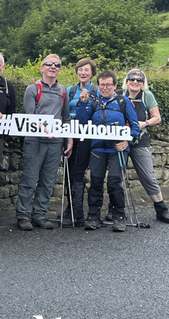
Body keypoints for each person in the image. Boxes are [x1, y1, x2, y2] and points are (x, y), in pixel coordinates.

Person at [76, 70, 140, 232]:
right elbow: (82, 122)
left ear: (115, 85)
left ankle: (119, 216)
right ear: (97, 86)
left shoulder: (123, 101)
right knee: (95, 182)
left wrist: (127, 141)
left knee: (114, 182)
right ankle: (93, 216)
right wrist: (83, 104)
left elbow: (135, 127)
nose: (105, 88)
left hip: (117, 149)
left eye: (108, 85)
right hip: (98, 148)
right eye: (102, 85)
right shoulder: (94, 102)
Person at [16, 54, 72, 231]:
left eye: (57, 64)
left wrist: (69, 139)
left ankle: (39, 215)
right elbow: (30, 115)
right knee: (30, 179)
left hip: (56, 142)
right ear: (42, 68)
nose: (53, 67)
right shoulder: (32, 89)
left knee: (48, 181)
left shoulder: (63, 90)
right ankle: (23, 216)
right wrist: (43, 127)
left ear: (60, 69)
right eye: (49, 64)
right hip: (35, 140)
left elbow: (66, 117)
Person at [122, 69, 169, 224]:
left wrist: (144, 123)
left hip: (140, 140)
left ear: (143, 82)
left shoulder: (147, 96)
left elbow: (157, 117)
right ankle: (116, 210)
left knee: (147, 176)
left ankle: (161, 210)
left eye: (139, 80)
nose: (135, 82)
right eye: (132, 79)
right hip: (121, 140)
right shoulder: (120, 95)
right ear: (127, 81)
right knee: (117, 176)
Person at [62, 58, 98, 227]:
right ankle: (71, 209)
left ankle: (77, 213)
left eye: (86, 70)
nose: (83, 73)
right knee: (69, 171)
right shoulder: (71, 89)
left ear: (92, 73)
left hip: (87, 133)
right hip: (70, 132)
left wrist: (86, 101)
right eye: (80, 70)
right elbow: (65, 112)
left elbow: (97, 111)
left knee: (78, 171)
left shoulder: (96, 90)